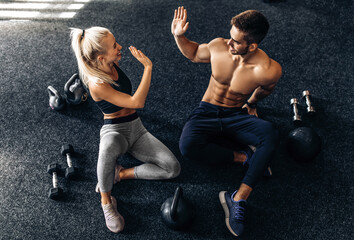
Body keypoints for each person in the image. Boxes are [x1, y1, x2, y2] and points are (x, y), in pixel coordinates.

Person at [171, 7, 282, 236]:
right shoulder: (219, 46)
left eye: (235, 41)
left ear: (252, 45)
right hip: (207, 111)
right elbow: (193, 53)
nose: (228, 43)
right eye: (229, 36)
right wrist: (179, 36)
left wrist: (250, 104)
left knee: (270, 134)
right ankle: (244, 157)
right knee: (187, 146)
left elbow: (265, 89)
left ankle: (237, 198)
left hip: (236, 114)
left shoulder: (268, 69)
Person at [70, 27, 181, 233]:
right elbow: (136, 101)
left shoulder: (111, 63)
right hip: (115, 131)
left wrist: (123, 173)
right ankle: (106, 201)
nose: (119, 46)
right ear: (101, 58)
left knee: (173, 168)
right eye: (114, 46)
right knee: (107, 147)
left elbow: (131, 104)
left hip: (136, 129)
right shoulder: (96, 84)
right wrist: (147, 67)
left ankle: (120, 174)